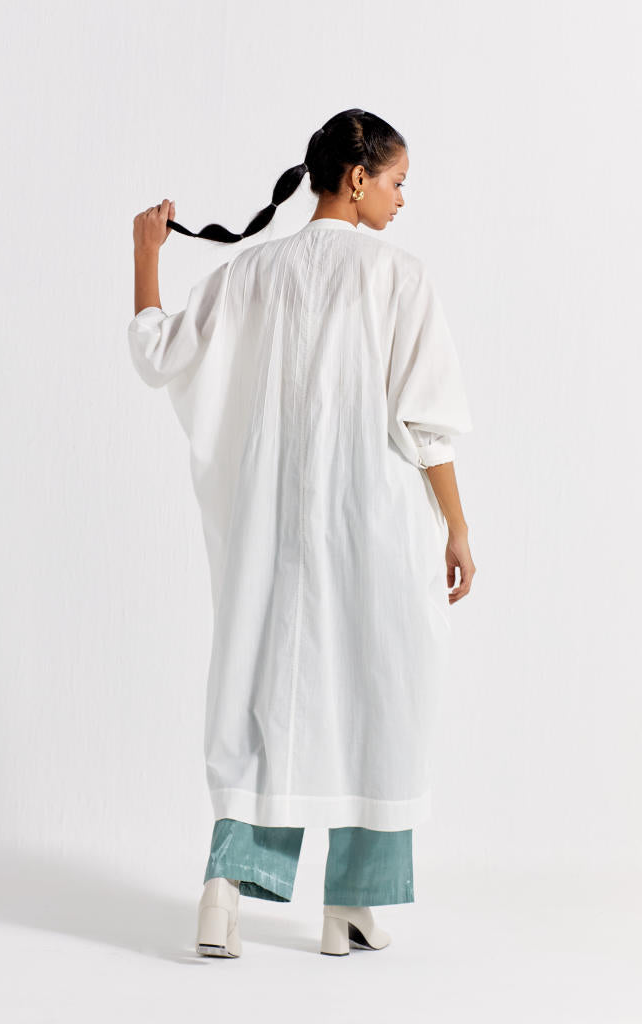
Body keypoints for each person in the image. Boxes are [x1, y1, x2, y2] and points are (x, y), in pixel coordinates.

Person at [127, 108, 476, 957]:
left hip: (271, 533)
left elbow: (158, 356)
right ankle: (348, 901)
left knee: (265, 694)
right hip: (375, 525)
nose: (401, 200)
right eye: (395, 182)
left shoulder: (251, 272)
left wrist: (145, 254)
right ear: (356, 179)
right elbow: (424, 422)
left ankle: (225, 895)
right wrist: (457, 527)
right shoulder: (397, 276)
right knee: (379, 693)